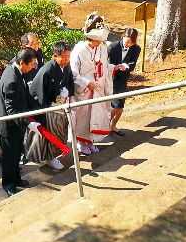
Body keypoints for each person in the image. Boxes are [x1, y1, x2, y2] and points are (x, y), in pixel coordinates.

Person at [0, 49, 38, 196]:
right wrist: (28, 123)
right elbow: (11, 110)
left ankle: (17, 179)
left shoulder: (15, 71)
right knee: (9, 157)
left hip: (17, 125)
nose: (33, 67)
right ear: (21, 63)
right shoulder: (11, 79)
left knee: (16, 154)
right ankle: (8, 184)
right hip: (8, 127)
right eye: (31, 64)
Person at [70, 13, 114, 155]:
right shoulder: (79, 50)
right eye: (97, 39)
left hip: (98, 88)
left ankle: (91, 141)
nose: (99, 42)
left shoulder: (102, 48)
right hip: (83, 91)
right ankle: (81, 142)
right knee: (83, 118)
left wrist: (113, 69)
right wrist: (87, 83)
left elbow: (105, 66)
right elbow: (73, 73)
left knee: (96, 116)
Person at [27, 41, 75, 171]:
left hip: (58, 105)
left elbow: (69, 82)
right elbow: (40, 95)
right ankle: (50, 158)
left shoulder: (66, 66)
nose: (67, 59)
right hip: (45, 108)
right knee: (49, 134)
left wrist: (66, 93)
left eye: (68, 56)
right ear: (55, 56)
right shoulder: (46, 70)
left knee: (61, 130)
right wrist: (51, 105)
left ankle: (55, 154)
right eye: (64, 57)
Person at [107, 28, 140, 135]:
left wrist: (125, 66)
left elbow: (132, 64)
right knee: (115, 105)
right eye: (127, 41)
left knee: (120, 106)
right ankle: (105, 126)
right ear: (123, 37)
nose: (128, 44)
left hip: (123, 80)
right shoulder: (113, 46)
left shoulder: (136, 49)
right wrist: (115, 67)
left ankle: (112, 126)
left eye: (131, 42)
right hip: (111, 79)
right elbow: (105, 63)